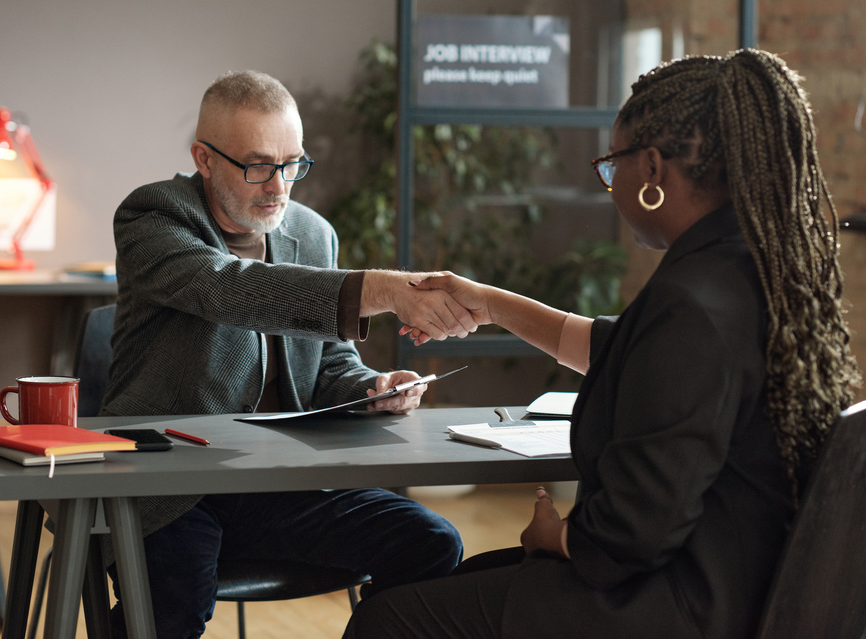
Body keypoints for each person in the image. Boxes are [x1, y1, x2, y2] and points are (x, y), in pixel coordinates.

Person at [344, 49, 862, 639]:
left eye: (611, 168)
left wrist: (554, 536)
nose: (611, 188)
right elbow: (617, 351)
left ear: (652, 170)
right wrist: (488, 302)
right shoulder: (752, 272)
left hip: (675, 606)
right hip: (735, 584)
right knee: (445, 588)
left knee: (392, 619)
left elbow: (630, 534)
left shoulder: (691, 304)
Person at [99, 70, 476, 638]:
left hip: (277, 481)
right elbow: (228, 290)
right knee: (173, 598)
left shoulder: (312, 233)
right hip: (169, 482)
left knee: (431, 544)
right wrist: (379, 288)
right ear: (204, 158)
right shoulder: (153, 217)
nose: (280, 185)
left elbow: (328, 366)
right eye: (258, 166)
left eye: (293, 163)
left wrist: (371, 388)